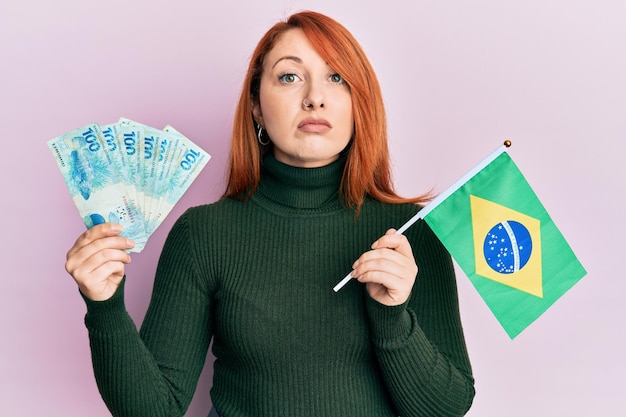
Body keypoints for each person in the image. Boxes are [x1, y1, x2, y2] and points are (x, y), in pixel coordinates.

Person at [65, 10, 475, 417]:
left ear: (358, 102)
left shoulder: (412, 233)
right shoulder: (203, 234)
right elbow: (155, 410)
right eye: (289, 76)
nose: (315, 96)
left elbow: (447, 408)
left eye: (336, 77)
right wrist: (104, 306)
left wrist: (391, 315)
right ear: (257, 107)